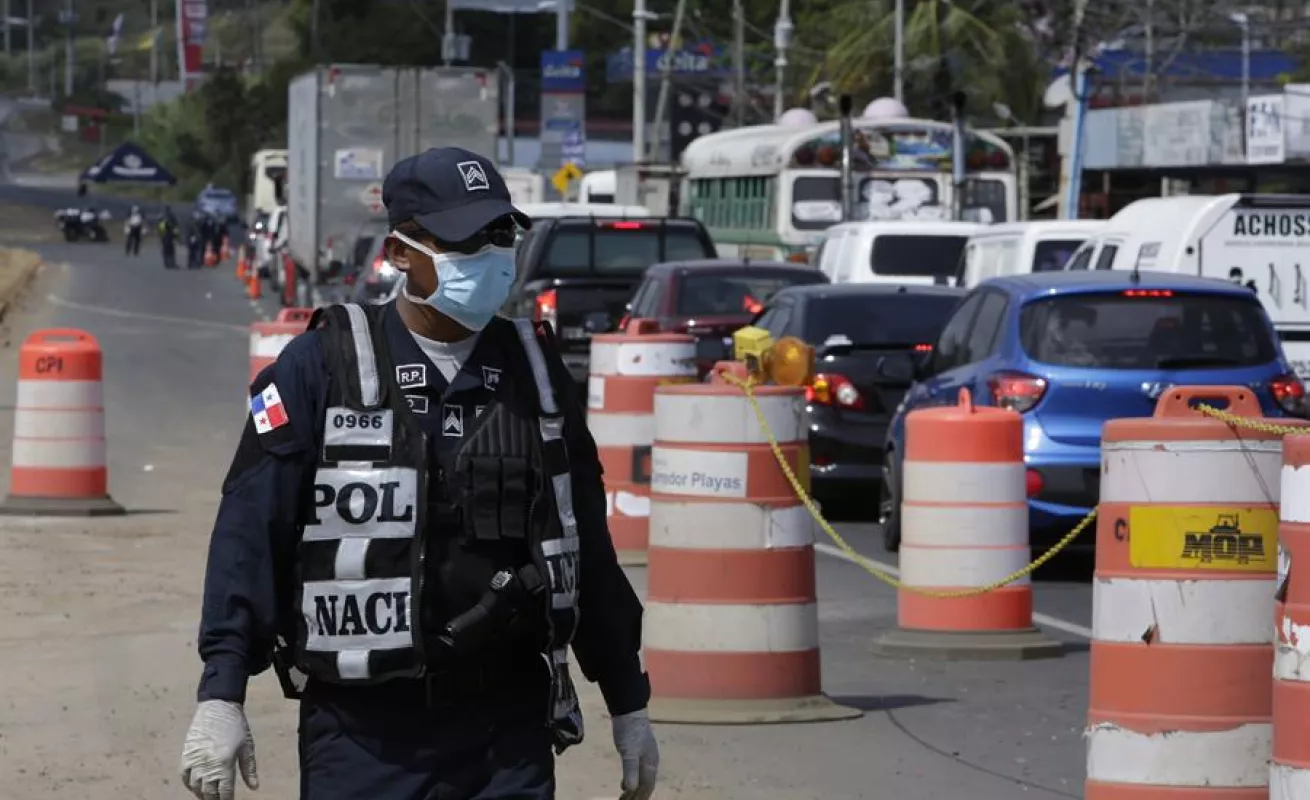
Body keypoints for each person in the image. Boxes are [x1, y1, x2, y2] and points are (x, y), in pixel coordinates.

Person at [179, 147, 660, 800]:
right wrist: (222, 693)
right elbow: (250, 529)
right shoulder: (320, 365)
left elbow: (584, 545)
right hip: (363, 736)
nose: (489, 255)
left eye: (499, 235)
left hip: (507, 733)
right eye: (465, 240)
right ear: (402, 251)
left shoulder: (538, 373)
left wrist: (627, 700)